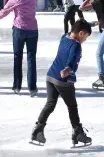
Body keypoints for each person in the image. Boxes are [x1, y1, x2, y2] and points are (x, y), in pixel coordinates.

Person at [30, 20, 92, 149]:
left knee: (50, 104)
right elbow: (71, 59)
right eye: (85, 36)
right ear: (81, 33)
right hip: (63, 79)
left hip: (50, 76)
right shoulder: (76, 45)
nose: (85, 40)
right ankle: (78, 133)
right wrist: (67, 69)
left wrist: (90, 24)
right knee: (72, 106)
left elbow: (76, 28)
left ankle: (38, 130)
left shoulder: (64, 36)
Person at [0, 0, 39, 95]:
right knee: (31, 59)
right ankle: (32, 88)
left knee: (18, 57)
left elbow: (4, 11)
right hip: (33, 29)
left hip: (19, 29)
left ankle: (17, 86)